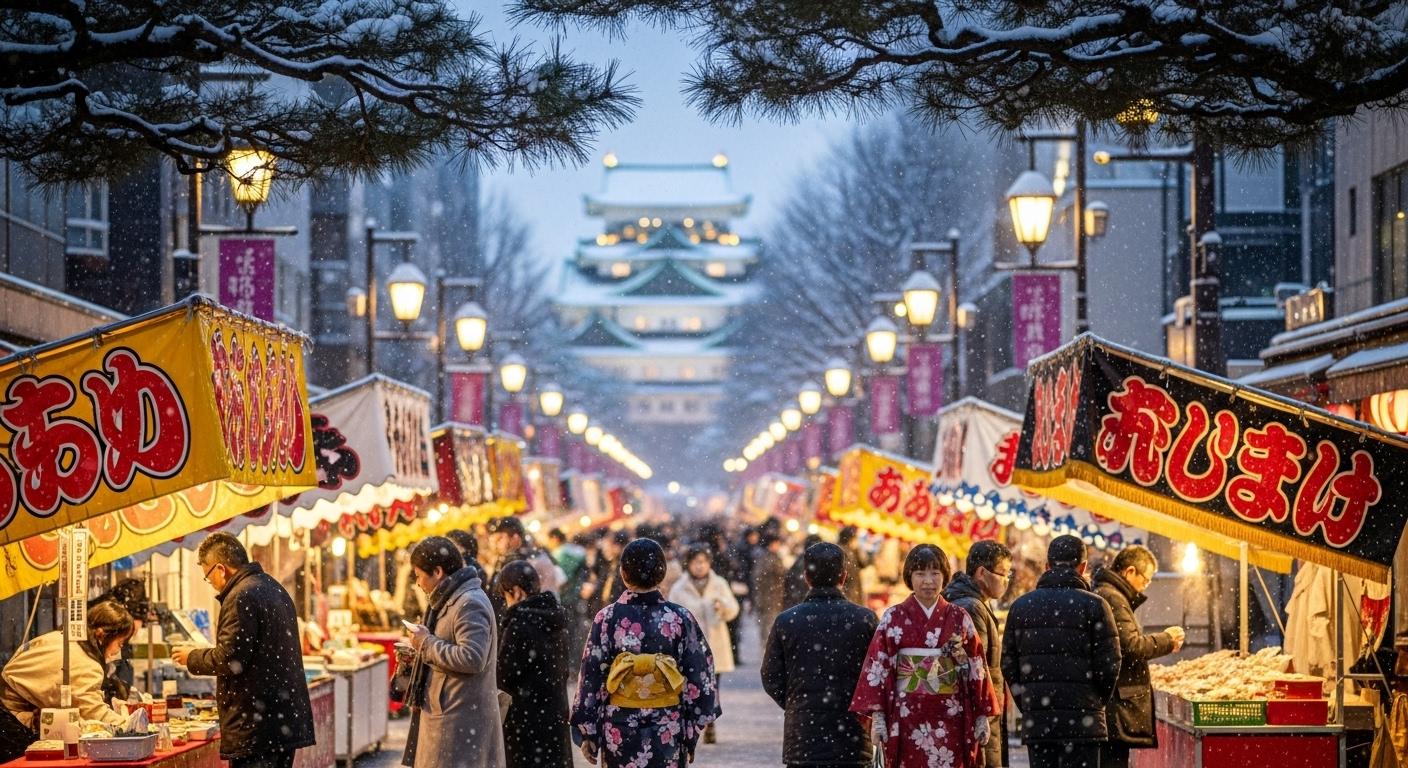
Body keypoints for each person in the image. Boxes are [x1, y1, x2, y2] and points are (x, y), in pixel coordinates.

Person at [571, 539, 718, 768]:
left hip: (619, 725)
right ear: (662, 572)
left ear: (623, 572)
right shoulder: (679, 618)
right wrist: (691, 731)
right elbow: (699, 675)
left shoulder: (607, 618)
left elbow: (591, 676)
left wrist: (589, 732)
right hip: (667, 724)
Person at [172, 533, 314, 768]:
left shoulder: (241, 596)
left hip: (257, 727)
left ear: (221, 569)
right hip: (281, 722)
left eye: (208, 577)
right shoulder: (273, 587)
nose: (211, 584)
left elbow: (230, 659)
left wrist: (192, 657)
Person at [851, 544, 996, 768]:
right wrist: (878, 716)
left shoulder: (959, 617)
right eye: (920, 573)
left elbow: (977, 666)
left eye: (935, 573)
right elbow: (878, 666)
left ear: (944, 576)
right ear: (910, 576)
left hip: (950, 715)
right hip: (907, 715)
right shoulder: (894, 617)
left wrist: (981, 715)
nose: (928, 580)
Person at [1001, 535, 1121, 768]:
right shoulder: (1095, 606)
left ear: (1047, 565)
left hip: (1039, 723)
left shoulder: (1021, 607)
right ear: (1083, 567)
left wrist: (1029, 703)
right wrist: (1094, 701)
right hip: (1083, 722)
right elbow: (1110, 663)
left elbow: (1008, 664)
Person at [762, 543, 878, 768]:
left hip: (803, 735)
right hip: (853, 734)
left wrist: (797, 702)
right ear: (843, 577)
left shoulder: (787, 621)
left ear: (806, 577)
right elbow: (878, 675)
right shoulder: (864, 620)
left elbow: (770, 677)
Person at [396, 536, 504, 768]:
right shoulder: (450, 599)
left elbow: (472, 658)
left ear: (437, 571)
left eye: (418, 575)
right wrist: (417, 652)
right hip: (448, 717)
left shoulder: (468, 603)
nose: (417, 583)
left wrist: (426, 643)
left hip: (460, 721)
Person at [1092, 545, 1185, 768]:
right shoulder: (1113, 598)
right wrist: (1166, 639)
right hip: (1116, 705)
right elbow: (1131, 646)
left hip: (1111, 703)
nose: (1145, 587)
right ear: (1130, 571)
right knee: (1113, 761)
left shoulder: (1108, 594)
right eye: (1146, 579)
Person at [0, 601, 135, 730]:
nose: (118, 651)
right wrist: (128, 726)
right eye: (120, 643)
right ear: (101, 635)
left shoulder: (57, 637)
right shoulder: (86, 664)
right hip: (13, 722)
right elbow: (93, 711)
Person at [943, 540, 1013, 768]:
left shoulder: (972, 602)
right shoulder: (972, 608)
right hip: (979, 713)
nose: (1006, 581)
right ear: (982, 572)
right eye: (1003, 574)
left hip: (980, 711)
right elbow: (974, 668)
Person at [496, 561, 572, 768]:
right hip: (554, 715)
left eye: (506, 596)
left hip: (525, 722)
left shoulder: (519, 623)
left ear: (517, 592)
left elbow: (503, 676)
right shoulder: (555, 618)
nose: (506, 603)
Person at [668, 543, 740, 745]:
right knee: (691, 687)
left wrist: (723, 607)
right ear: (688, 564)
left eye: (703, 562)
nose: (699, 566)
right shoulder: (679, 588)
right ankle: (692, 725)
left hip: (715, 644)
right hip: (691, 647)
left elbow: (733, 609)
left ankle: (710, 725)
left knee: (713, 687)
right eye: (695, 562)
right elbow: (672, 615)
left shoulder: (719, 584)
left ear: (709, 563)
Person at [487, 516, 564, 594]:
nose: (496, 544)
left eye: (500, 539)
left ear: (515, 538)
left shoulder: (532, 560)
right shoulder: (507, 559)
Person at [752, 531, 787, 646]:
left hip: (773, 598)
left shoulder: (773, 557)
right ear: (771, 544)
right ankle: (769, 657)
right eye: (777, 543)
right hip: (768, 599)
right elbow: (759, 579)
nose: (778, 546)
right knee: (768, 631)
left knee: (771, 629)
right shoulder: (766, 558)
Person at [781, 535, 823, 610]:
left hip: (798, 605)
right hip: (802, 605)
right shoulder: (807, 562)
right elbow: (801, 586)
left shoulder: (803, 559)